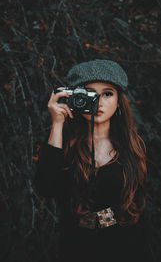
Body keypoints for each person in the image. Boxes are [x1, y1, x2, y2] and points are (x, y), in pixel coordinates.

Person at [34, 59, 154, 262]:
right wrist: (56, 124)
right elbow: (45, 188)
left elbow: (139, 208)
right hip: (76, 248)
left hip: (127, 247)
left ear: (118, 102)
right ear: (74, 98)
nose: (99, 101)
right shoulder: (63, 146)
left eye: (107, 93)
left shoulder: (134, 147)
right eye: (89, 93)